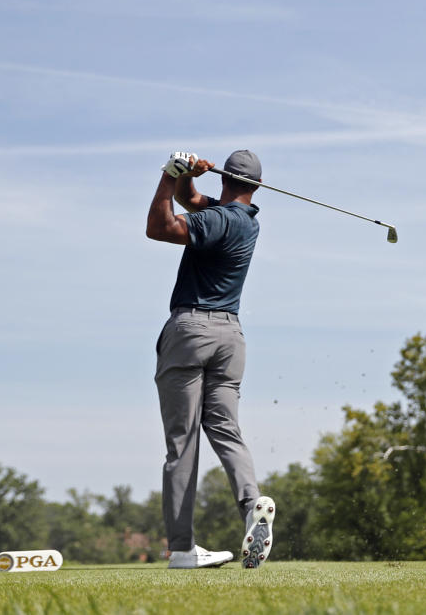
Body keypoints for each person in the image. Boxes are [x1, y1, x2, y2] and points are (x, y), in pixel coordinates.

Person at [146, 150, 276, 570]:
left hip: (191, 331)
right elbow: (195, 204)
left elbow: (159, 228)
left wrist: (169, 176)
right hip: (230, 336)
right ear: (254, 187)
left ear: (225, 177)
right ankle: (252, 505)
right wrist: (186, 179)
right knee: (225, 427)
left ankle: (182, 548)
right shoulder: (245, 221)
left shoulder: (217, 220)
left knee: (181, 443)